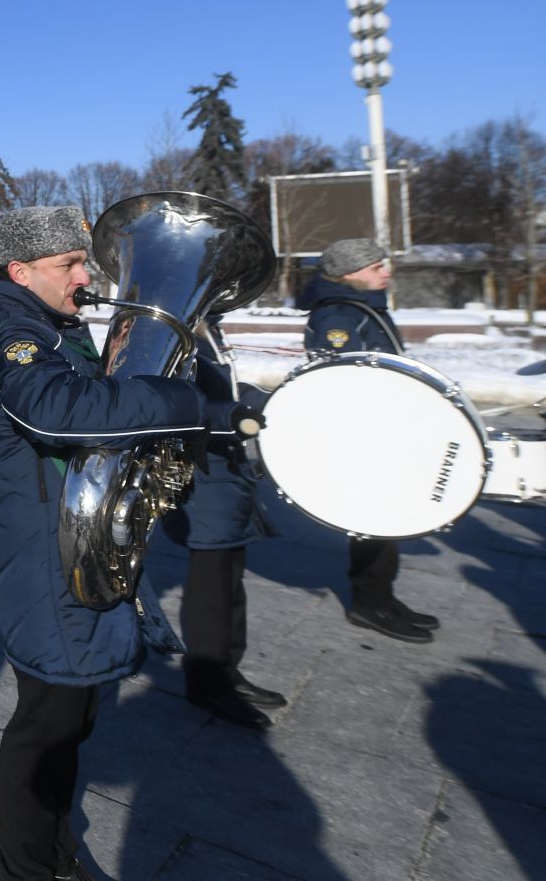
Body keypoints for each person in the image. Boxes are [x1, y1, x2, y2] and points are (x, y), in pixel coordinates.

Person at [0, 206, 242, 881]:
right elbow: (55, 411)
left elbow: (111, 400)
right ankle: (26, 867)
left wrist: (218, 413)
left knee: (76, 707)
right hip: (42, 552)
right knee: (49, 718)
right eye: (68, 263)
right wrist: (179, 408)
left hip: (68, 539)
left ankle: (54, 845)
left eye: (82, 260)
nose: (85, 274)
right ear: (21, 271)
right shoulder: (12, 329)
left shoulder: (48, 324)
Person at [300, 237, 439, 644]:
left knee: (388, 520)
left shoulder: (363, 306)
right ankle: (369, 603)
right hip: (364, 435)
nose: (387, 271)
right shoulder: (339, 315)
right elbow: (341, 381)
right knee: (374, 521)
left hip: (384, 428)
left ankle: (384, 597)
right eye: (378, 266)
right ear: (350, 273)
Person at [163, 319, 287, 729]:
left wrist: (272, 399)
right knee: (211, 590)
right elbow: (167, 401)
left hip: (223, 474)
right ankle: (207, 683)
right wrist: (231, 416)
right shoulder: (167, 327)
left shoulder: (204, 329)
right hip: (201, 479)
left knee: (230, 581)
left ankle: (227, 670)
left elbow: (225, 391)